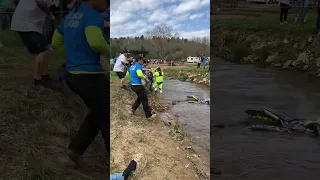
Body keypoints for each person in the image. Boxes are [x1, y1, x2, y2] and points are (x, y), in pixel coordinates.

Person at [51, 0, 109, 167]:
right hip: (90, 76)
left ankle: (74, 152)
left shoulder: (71, 15)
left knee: (98, 111)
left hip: (73, 76)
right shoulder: (92, 15)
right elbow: (96, 41)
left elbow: (56, 41)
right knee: (107, 116)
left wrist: (75, 55)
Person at [11, 0, 55, 87]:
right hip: (26, 24)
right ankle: (37, 80)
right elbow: (40, 3)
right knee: (44, 50)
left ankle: (44, 74)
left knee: (47, 48)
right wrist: (50, 15)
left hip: (32, 24)